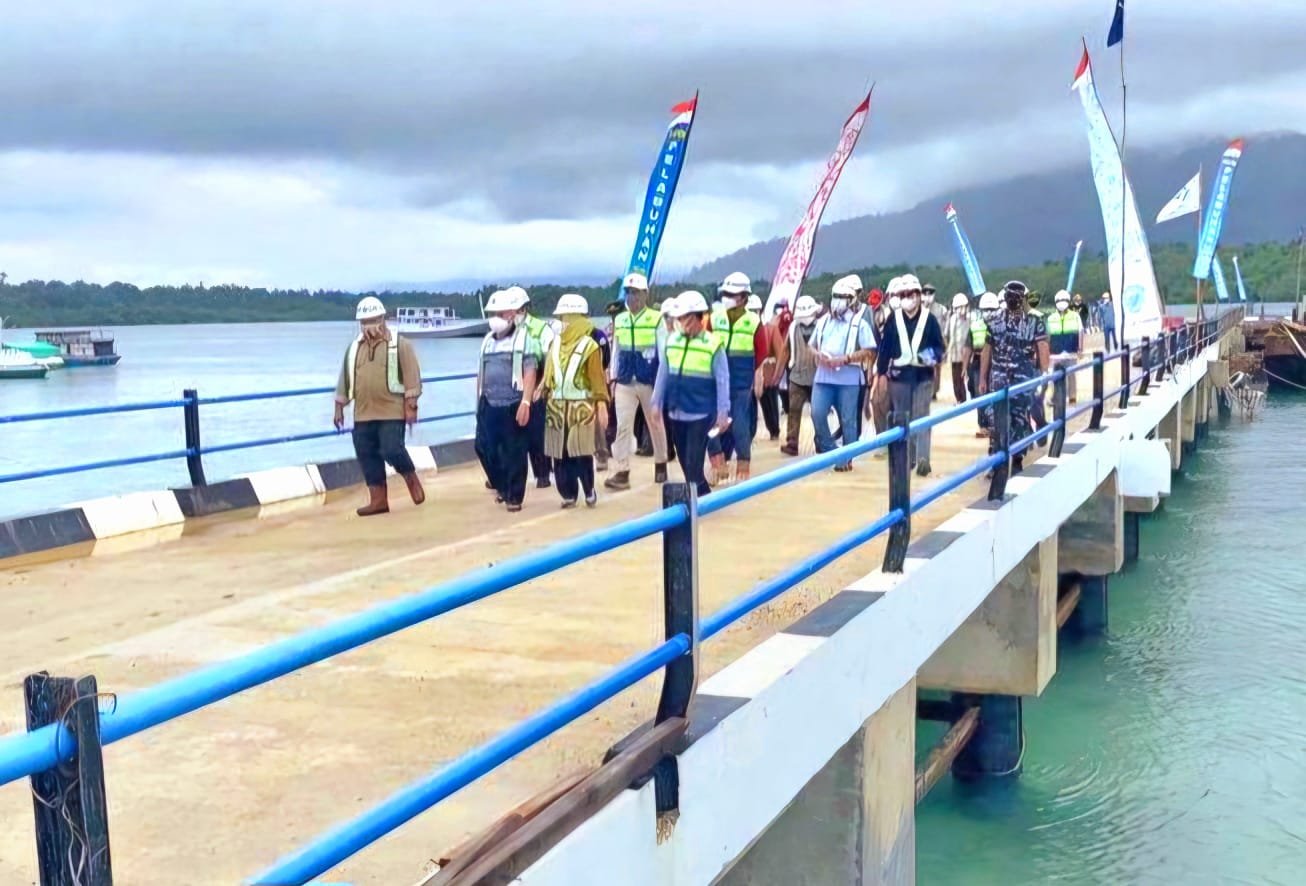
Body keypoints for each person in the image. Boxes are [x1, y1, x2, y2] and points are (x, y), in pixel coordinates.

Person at [333, 296, 425, 517]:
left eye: (373, 320)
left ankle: (410, 477)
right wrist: (339, 407)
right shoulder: (354, 348)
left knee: (392, 448)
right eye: (364, 321)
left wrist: (411, 405)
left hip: (391, 410)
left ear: (383, 319)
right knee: (366, 454)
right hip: (363, 413)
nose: (369, 325)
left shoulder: (400, 344)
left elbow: (412, 375)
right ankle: (378, 500)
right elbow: (345, 379)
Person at [652, 291, 730, 498]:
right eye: (678, 318)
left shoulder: (713, 345)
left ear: (697, 317)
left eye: (684, 317)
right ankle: (704, 498)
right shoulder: (672, 341)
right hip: (676, 412)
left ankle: (696, 505)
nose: (680, 322)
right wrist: (656, 402)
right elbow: (663, 373)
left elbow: (723, 381)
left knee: (693, 465)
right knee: (686, 464)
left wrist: (723, 413)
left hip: (701, 414)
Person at [541, 294, 610, 509]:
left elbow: (597, 378)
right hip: (556, 406)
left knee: (580, 451)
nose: (563, 322)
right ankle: (568, 493)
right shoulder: (555, 344)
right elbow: (549, 372)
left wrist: (601, 403)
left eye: (566, 317)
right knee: (559, 454)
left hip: (581, 407)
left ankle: (588, 489)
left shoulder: (590, 346)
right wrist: (542, 388)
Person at [475, 288, 540, 513]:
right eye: (492, 314)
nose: (495, 318)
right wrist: (479, 402)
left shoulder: (523, 340)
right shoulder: (487, 341)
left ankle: (514, 496)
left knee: (514, 451)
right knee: (485, 448)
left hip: (513, 403)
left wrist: (526, 402)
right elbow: (481, 372)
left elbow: (530, 371)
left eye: (500, 314)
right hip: (489, 403)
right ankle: (502, 485)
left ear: (511, 314)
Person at [874, 274, 945, 476]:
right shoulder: (893, 320)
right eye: (903, 295)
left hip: (923, 377)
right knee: (902, 419)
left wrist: (928, 358)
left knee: (921, 417)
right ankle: (908, 458)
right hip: (899, 379)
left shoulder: (929, 320)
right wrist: (881, 375)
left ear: (918, 295)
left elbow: (940, 348)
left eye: (910, 294)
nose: (907, 298)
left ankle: (923, 459)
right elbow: (884, 349)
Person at [979, 280, 1050, 475]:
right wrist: (982, 378)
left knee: (1019, 419)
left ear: (1024, 299)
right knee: (996, 420)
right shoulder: (994, 320)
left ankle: (1017, 459)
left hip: (1022, 379)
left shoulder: (1034, 321)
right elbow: (987, 349)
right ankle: (997, 461)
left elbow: (1042, 347)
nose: (1013, 300)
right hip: (999, 380)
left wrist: (1044, 375)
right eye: (1010, 296)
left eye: (1017, 297)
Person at [605, 272, 668, 491]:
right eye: (629, 293)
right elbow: (616, 350)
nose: (632, 297)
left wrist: (662, 382)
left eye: (636, 293)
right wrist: (613, 377)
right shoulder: (621, 320)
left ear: (645, 295)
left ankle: (661, 462)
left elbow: (664, 353)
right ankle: (622, 471)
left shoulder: (656, 319)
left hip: (649, 379)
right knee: (623, 425)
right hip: (625, 380)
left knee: (655, 423)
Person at [810, 277, 878, 471]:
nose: (838, 300)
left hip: (849, 377)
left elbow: (869, 350)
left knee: (848, 420)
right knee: (817, 413)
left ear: (851, 300)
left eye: (842, 297)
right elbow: (811, 345)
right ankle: (833, 451)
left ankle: (846, 458)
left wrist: (846, 358)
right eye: (835, 296)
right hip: (824, 376)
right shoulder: (823, 321)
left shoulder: (859, 324)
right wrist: (818, 355)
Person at [709, 272, 767, 484]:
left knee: (740, 423)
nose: (727, 298)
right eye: (725, 293)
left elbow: (761, 351)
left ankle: (743, 469)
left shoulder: (753, 322)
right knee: (711, 421)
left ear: (743, 297)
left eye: (731, 294)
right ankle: (718, 465)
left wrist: (748, 371)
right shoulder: (714, 318)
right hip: (715, 379)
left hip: (740, 380)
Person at [504, 286, 556, 491]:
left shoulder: (541, 329)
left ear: (523, 309)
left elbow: (550, 359)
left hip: (536, 385)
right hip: (513, 387)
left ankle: (542, 473)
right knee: (513, 435)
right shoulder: (506, 330)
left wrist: (542, 386)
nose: (511, 314)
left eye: (514, 310)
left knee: (537, 433)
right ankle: (512, 477)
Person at [774, 294, 821, 456]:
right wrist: (778, 373)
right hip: (797, 376)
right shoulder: (793, 328)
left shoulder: (821, 326)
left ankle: (821, 440)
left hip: (817, 377)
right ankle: (792, 442)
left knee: (818, 412)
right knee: (793, 410)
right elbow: (785, 351)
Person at [963, 292, 1000, 437]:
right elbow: (968, 347)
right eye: (986, 310)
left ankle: (994, 424)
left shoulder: (1002, 326)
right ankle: (983, 425)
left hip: (996, 363)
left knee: (995, 393)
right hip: (978, 363)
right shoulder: (975, 326)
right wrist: (964, 367)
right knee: (980, 393)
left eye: (991, 310)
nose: (988, 313)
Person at [759, 296, 792, 442]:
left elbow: (780, 351)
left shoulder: (771, 328)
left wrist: (778, 371)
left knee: (771, 400)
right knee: (764, 403)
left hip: (770, 370)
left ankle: (774, 430)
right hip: (754, 372)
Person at [1048, 290, 1084, 404]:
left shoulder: (1075, 316)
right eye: (1059, 300)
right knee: (1054, 376)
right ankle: (1055, 397)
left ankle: (1072, 397)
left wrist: (1080, 349)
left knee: (1071, 375)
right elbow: (1047, 336)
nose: (1061, 302)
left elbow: (1081, 331)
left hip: (1071, 350)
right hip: (1055, 352)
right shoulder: (1051, 318)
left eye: (1064, 300)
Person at [943, 293, 972, 405]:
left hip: (966, 354)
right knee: (956, 378)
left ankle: (967, 398)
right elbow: (946, 334)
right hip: (954, 353)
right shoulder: (952, 319)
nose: (961, 310)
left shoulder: (969, 319)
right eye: (959, 307)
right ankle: (959, 399)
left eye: (963, 306)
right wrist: (948, 349)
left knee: (966, 376)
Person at [923, 284, 947, 399]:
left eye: (930, 293)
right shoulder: (919, 309)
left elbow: (945, 328)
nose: (928, 295)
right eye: (925, 293)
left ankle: (934, 391)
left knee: (937, 369)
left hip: (937, 343)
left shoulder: (941, 309)